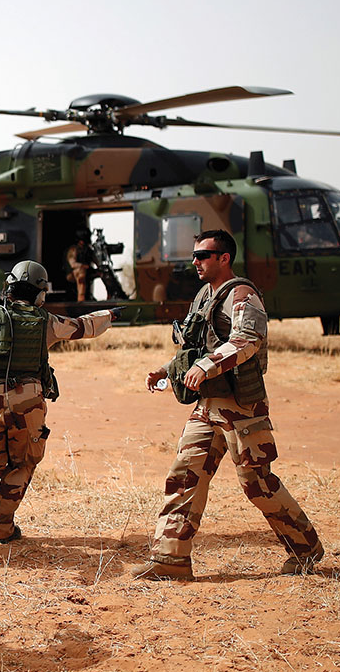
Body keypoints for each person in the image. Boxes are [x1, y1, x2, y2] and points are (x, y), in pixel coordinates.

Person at [133, 230, 324, 579]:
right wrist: (167, 369)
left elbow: (248, 339)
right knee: (184, 476)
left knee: (257, 483)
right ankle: (170, 560)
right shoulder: (203, 296)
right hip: (207, 404)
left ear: (224, 258)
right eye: (194, 255)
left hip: (241, 407)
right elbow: (195, 347)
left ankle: (305, 549)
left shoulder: (242, 294)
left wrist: (207, 366)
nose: (195, 262)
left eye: (203, 256)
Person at [0, 260, 117, 543]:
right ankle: (2, 529)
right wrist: (109, 315)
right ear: (40, 292)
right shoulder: (46, 321)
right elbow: (82, 327)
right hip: (29, 400)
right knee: (23, 463)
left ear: (10, 285)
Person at [65, 229, 95, 302]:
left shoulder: (87, 249)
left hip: (86, 271)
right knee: (81, 272)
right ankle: (81, 298)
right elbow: (73, 264)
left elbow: (95, 259)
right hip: (72, 274)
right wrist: (83, 266)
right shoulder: (73, 249)